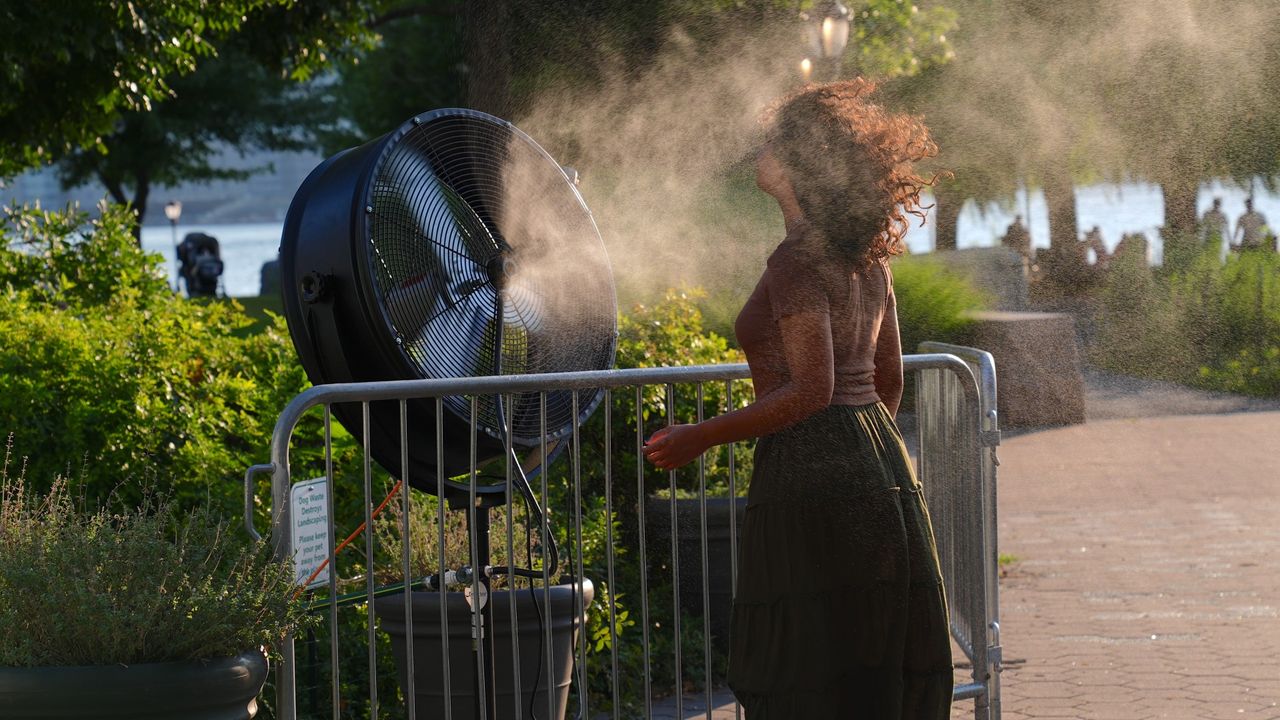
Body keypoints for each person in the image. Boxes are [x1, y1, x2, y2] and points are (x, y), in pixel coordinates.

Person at [642, 80, 953, 718]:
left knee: (808, 663)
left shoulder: (796, 261)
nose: (760, 151)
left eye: (771, 143)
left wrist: (700, 436)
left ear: (794, 166)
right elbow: (886, 381)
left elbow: (812, 391)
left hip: (809, 469)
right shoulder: (867, 257)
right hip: (882, 463)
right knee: (866, 656)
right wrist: (865, 463)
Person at [1199, 197, 1231, 262]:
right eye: (1216, 203)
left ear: (1220, 205)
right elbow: (1202, 227)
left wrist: (1230, 241)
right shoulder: (1207, 214)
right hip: (1209, 236)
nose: (1217, 205)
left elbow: (1227, 229)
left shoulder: (1223, 215)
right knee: (1207, 255)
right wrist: (1200, 238)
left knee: (1217, 255)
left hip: (1218, 237)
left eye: (1218, 203)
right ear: (1213, 203)